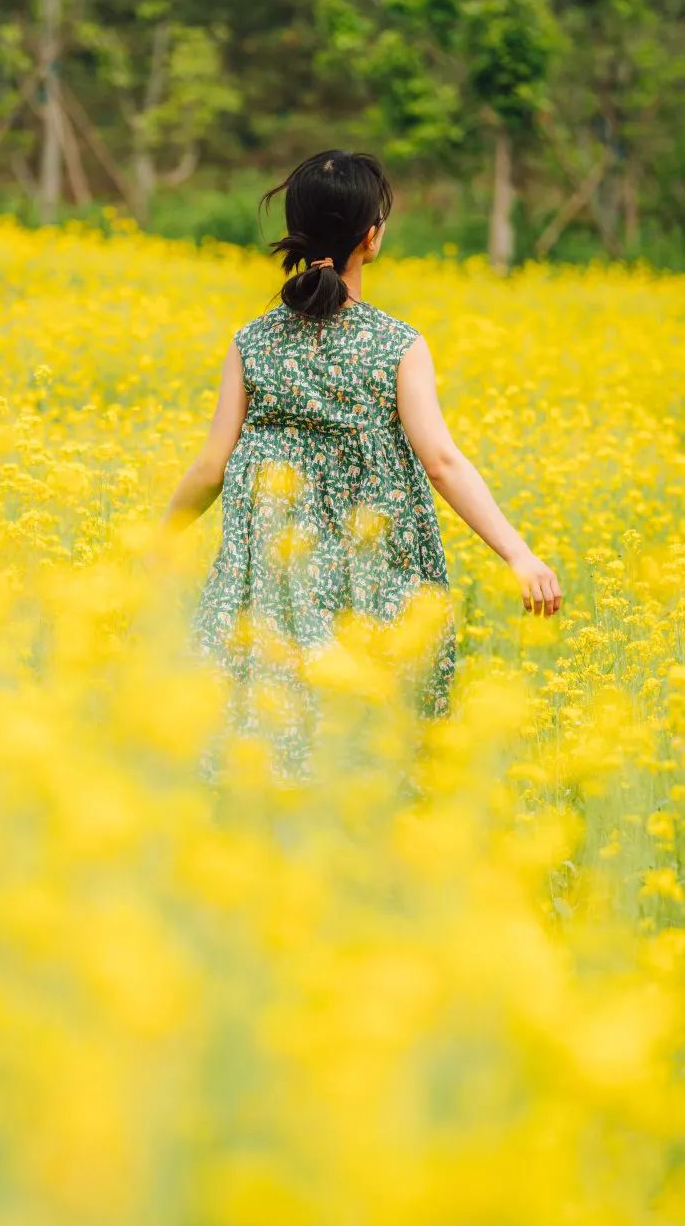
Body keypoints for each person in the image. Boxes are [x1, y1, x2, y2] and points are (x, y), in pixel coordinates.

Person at [161, 149, 563, 779]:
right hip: (372, 588)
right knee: (366, 764)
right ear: (370, 237)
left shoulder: (251, 342)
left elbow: (211, 467)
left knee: (263, 755)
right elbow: (441, 462)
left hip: (270, 591)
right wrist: (519, 555)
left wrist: (156, 542)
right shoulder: (397, 345)